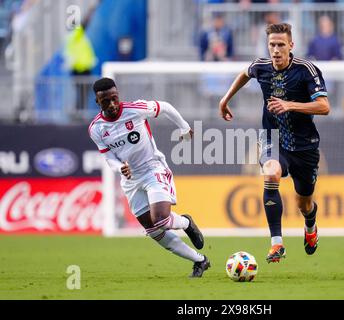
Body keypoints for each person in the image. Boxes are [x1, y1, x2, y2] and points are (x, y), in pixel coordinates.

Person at [219, 23, 330, 263]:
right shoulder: (261, 67)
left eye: (281, 44)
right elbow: (244, 74)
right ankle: (276, 244)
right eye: (272, 45)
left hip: (304, 145)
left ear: (291, 45)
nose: (276, 50)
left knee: (304, 203)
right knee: (271, 173)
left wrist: (289, 104)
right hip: (273, 138)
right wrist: (225, 99)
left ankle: (310, 224)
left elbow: (324, 106)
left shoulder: (307, 70)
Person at [88, 78, 210, 278]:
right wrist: (120, 168)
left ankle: (186, 223)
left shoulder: (135, 109)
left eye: (114, 98)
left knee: (160, 219)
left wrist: (184, 127)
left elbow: (166, 107)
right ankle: (200, 261)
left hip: (153, 169)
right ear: (97, 102)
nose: (111, 104)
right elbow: (108, 156)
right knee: (153, 231)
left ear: (118, 95)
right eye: (105, 101)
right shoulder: (96, 128)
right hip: (131, 180)